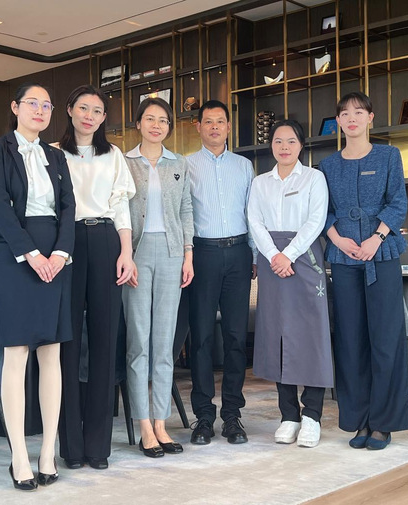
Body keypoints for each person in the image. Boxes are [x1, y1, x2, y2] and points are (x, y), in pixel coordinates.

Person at [0, 83, 75, 490]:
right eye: (32, 103)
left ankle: (47, 452)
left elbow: (68, 207)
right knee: (16, 353)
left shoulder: (57, 155)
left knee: (52, 352)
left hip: (56, 256)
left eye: (46, 105)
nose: (40, 110)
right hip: (16, 255)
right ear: (15, 107)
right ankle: (19, 454)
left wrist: (60, 254)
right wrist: (31, 254)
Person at [319, 91, 408, 450]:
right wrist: (337, 239)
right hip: (343, 258)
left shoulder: (389, 155)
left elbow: (398, 202)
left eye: (359, 112)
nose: (352, 119)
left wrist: (377, 237)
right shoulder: (327, 165)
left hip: (382, 254)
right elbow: (322, 211)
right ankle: (358, 420)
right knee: (350, 340)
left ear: (370, 118)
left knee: (385, 339)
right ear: (338, 122)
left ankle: (383, 423)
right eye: (345, 114)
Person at [54, 84, 136, 470]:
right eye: (83, 108)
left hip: (105, 239)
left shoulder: (113, 154)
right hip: (66, 243)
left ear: (104, 118)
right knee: (67, 342)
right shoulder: (52, 153)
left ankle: (98, 447)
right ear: (70, 109)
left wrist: (126, 253)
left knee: (105, 339)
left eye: (98, 111)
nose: (90, 116)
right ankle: (71, 447)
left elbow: (120, 206)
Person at [247, 119, 333, 448]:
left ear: (301, 145)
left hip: (304, 258)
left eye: (291, 141)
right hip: (272, 263)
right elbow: (254, 221)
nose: (284, 147)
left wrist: (289, 255)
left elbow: (316, 220)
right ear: (271, 145)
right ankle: (288, 415)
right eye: (278, 141)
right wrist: (273, 255)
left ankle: (311, 415)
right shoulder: (260, 183)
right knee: (277, 335)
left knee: (311, 334)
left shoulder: (314, 178)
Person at [122, 97, 194, 458]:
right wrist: (123, 255)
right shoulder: (123, 162)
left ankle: (161, 422)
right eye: (149, 119)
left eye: (163, 120)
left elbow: (186, 210)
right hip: (135, 254)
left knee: (165, 343)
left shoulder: (178, 163)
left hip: (171, 252)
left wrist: (188, 254)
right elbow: (116, 209)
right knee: (139, 343)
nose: (156, 125)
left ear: (169, 126)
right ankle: (144, 426)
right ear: (138, 124)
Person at [186, 99, 256, 445]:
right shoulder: (186, 165)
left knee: (235, 337)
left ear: (229, 126)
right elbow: (184, 214)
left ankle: (232, 415)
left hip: (239, 253)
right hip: (202, 254)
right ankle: (203, 415)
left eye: (220, 121)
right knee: (200, 337)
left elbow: (252, 212)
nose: (214, 127)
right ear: (198, 126)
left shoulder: (244, 166)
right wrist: (187, 255)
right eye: (208, 121)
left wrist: (254, 254)